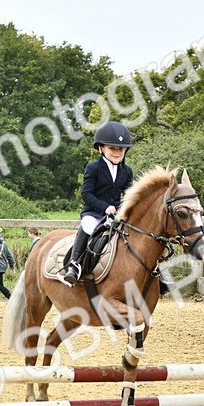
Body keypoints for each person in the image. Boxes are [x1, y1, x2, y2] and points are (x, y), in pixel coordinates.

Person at [60, 120, 134, 286]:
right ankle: (74, 264)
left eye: (120, 149)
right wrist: (105, 207)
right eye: (112, 148)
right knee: (87, 226)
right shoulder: (93, 168)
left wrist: (122, 209)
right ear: (101, 148)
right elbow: (86, 194)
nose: (117, 152)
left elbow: (130, 195)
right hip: (94, 212)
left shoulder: (127, 171)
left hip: (116, 214)